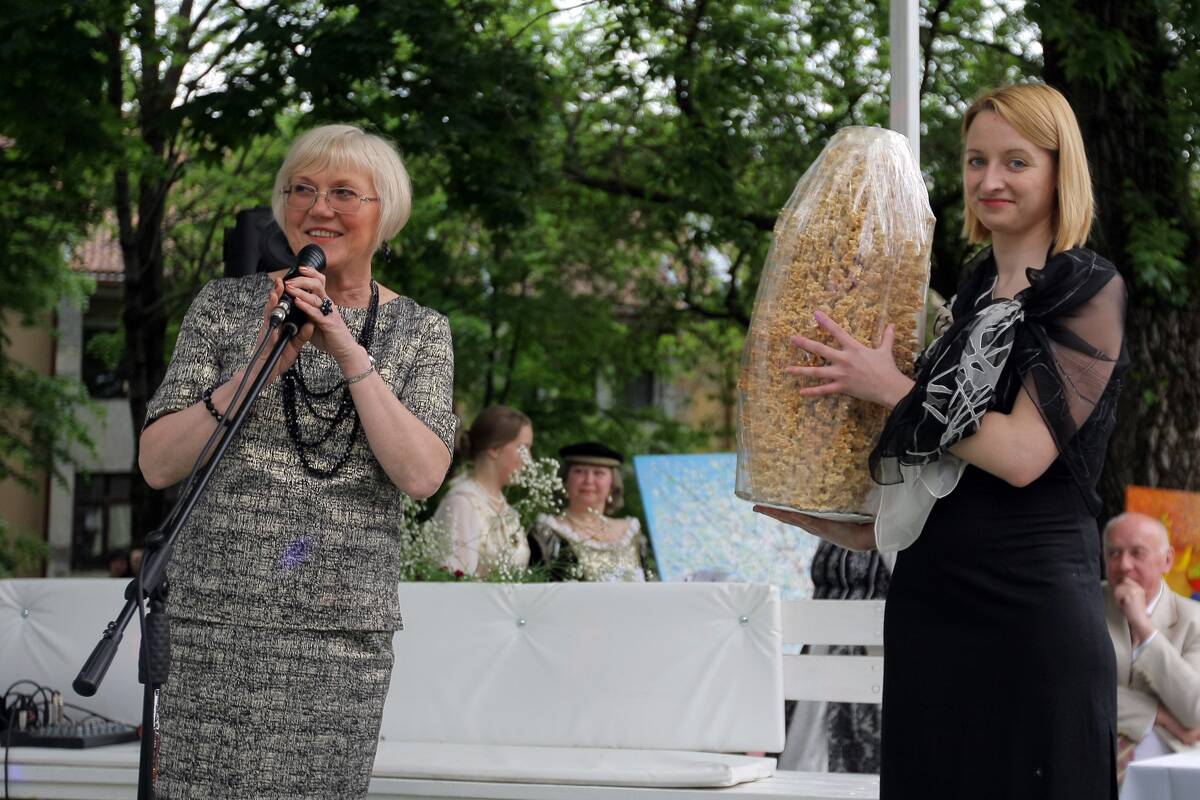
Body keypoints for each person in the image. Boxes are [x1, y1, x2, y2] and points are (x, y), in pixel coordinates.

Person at [756, 83, 1127, 798]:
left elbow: (1021, 456)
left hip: (1029, 615)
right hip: (931, 607)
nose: (990, 180)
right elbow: (940, 470)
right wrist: (847, 519)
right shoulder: (971, 291)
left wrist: (891, 387)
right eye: (976, 160)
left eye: (1016, 161)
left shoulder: (1088, 288)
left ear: (1061, 171)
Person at [138, 124, 456, 799]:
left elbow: (423, 474)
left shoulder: (421, 330)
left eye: (344, 192)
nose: (319, 208)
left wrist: (346, 350)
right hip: (216, 625)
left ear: (386, 212)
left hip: (340, 637)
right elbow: (157, 464)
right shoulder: (224, 307)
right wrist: (258, 365)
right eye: (302, 190)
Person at [1103, 512, 1200, 782]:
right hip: (1089, 761)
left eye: (1138, 553)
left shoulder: (1194, 619)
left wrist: (1144, 628)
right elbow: (1072, 691)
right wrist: (1158, 714)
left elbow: (1195, 711)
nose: (1124, 565)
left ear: (1167, 560)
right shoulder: (1085, 608)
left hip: (1170, 773)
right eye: (1113, 553)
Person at [434, 405, 532, 578]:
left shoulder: (508, 511)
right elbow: (454, 581)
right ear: (494, 449)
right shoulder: (463, 503)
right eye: (523, 448)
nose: (528, 459)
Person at [531, 441, 650, 582]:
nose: (588, 480)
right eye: (579, 471)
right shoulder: (548, 533)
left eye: (598, 473)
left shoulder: (632, 533)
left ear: (612, 484)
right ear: (565, 480)